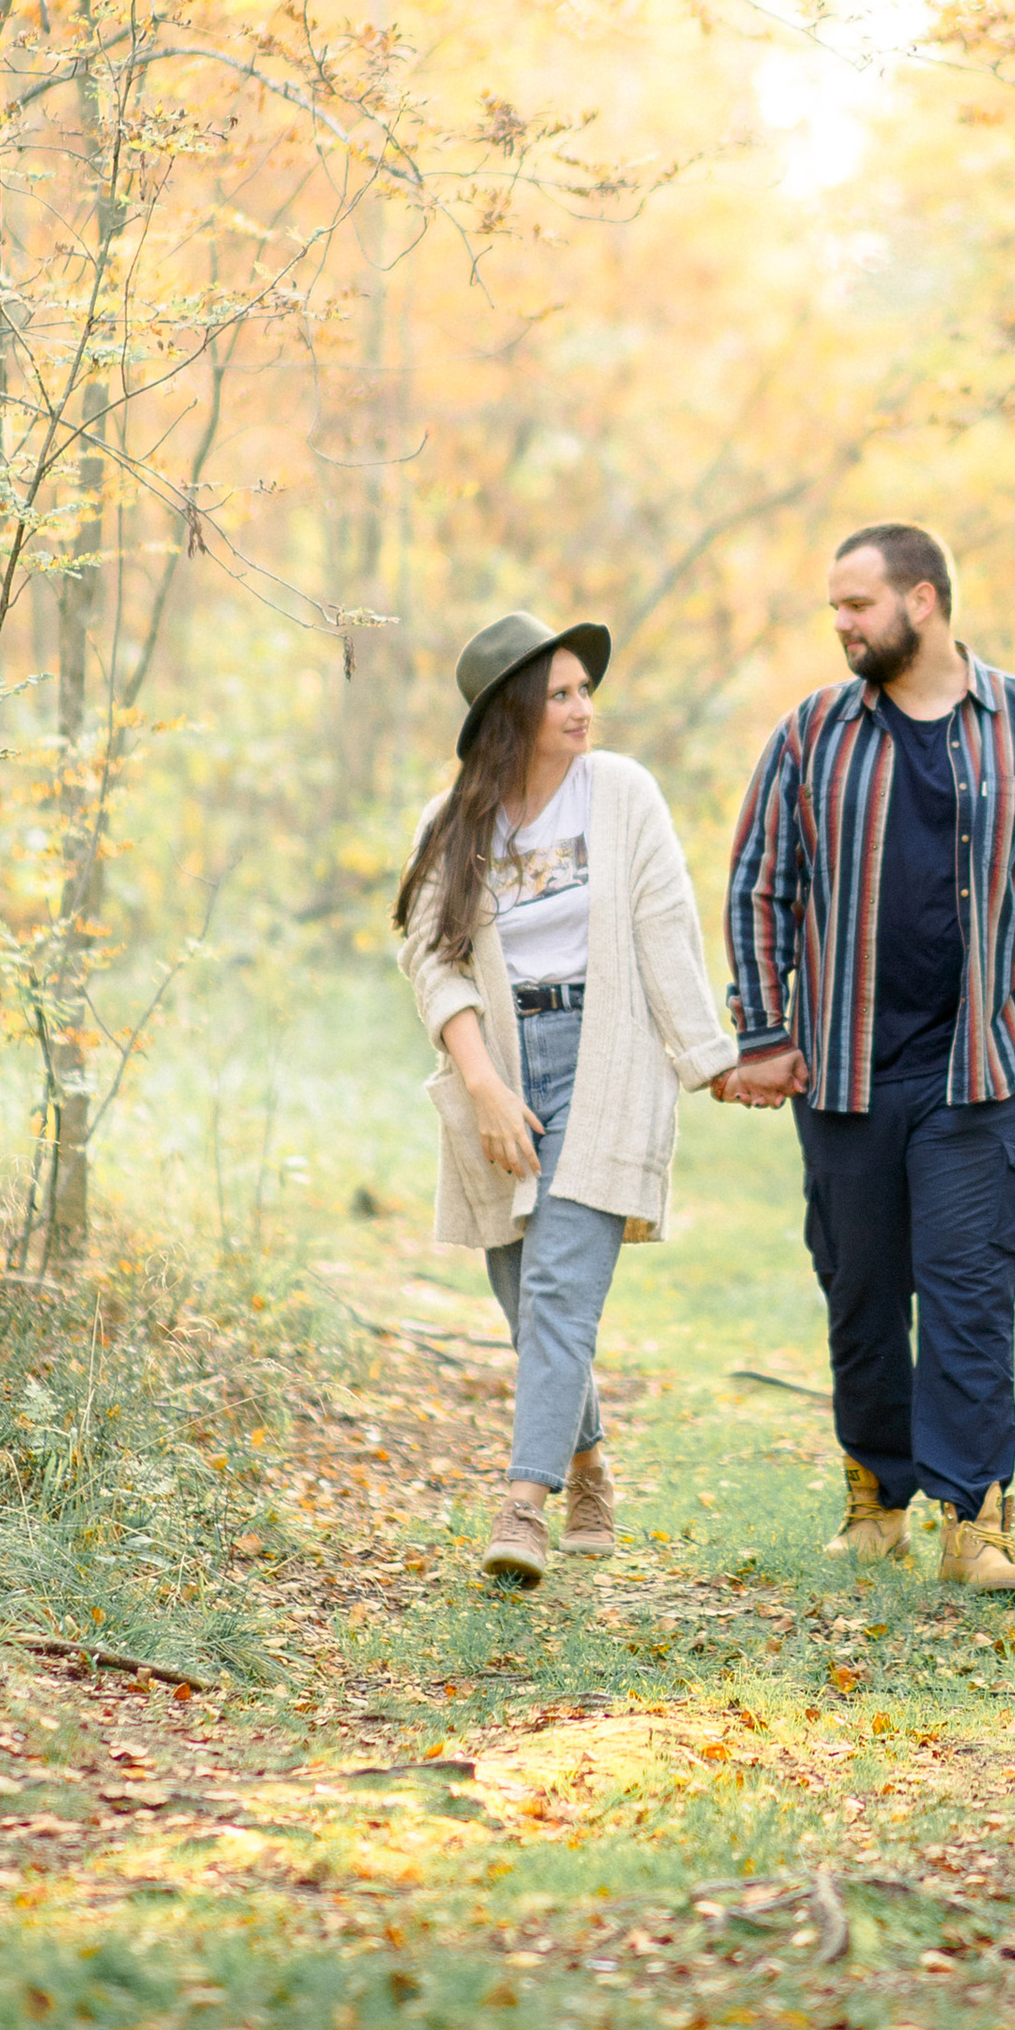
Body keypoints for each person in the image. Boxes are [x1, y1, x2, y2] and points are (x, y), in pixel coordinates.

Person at [714, 523, 1015, 1598]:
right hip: (845, 1071)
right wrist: (761, 1033)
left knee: (967, 1293)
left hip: (978, 1072)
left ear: (924, 601)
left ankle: (975, 1523)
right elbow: (760, 886)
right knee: (859, 1293)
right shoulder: (811, 734)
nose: (842, 625)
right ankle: (875, 1500)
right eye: (834, 608)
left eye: (857, 604)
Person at [396, 608, 736, 1587]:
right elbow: (433, 962)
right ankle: (588, 1463)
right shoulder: (450, 823)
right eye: (562, 694)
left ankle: (523, 1505)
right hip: (500, 1064)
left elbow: (667, 927)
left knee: (557, 1289)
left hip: (608, 1055)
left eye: (586, 689)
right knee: (522, 1297)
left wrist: (708, 1058)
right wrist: (486, 1085)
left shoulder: (621, 794)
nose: (584, 707)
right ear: (515, 711)